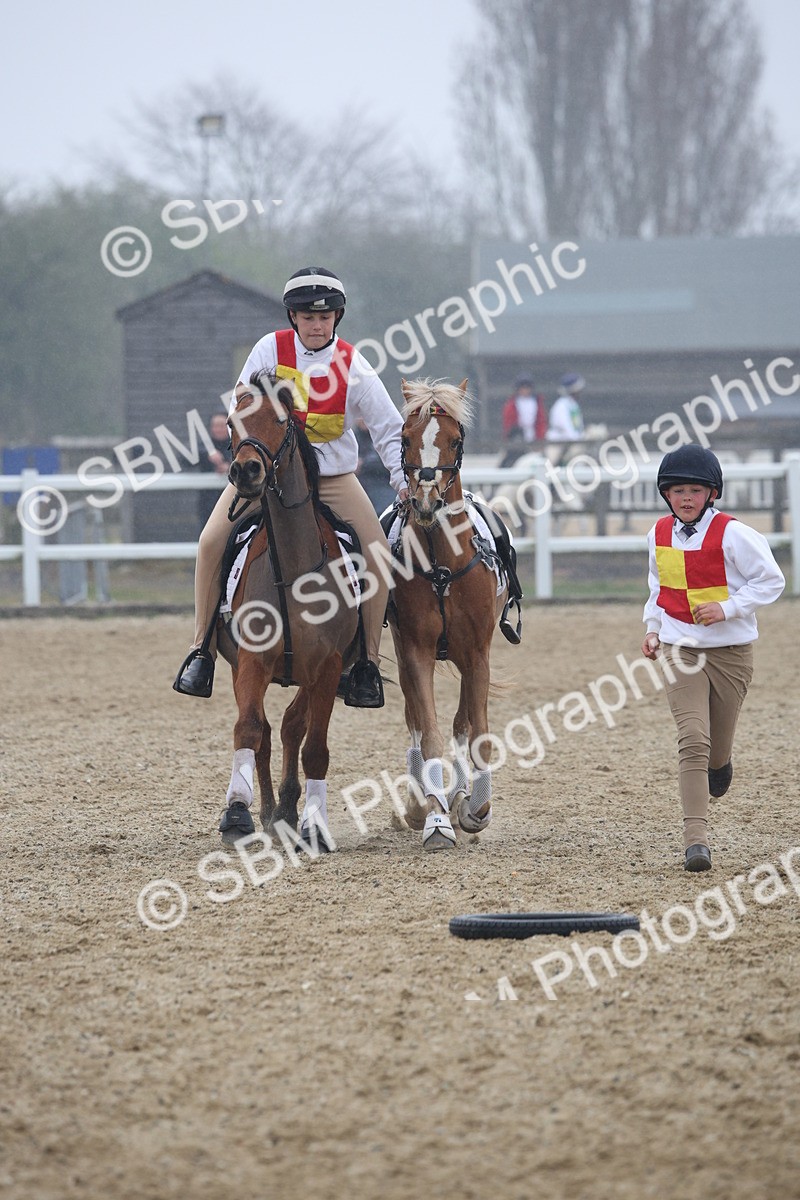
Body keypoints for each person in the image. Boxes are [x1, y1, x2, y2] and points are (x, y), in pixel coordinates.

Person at [173, 266, 407, 709]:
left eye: (325, 317)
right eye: (308, 317)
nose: (317, 325)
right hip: (267, 477)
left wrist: (401, 482)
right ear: (293, 317)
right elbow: (241, 406)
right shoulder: (269, 349)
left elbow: (389, 430)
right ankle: (201, 649)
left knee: (377, 550)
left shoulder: (353, 364)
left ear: (337, 318)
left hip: (332, 479)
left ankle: (366, 663)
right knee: (210, 541)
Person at [641, 444, 784, 872]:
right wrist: (652, 628)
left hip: (730, 655)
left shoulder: (735, 534)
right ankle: (695, 842)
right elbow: (659, 588)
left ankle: (721, 764)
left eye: (695, 490)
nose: (686, 498)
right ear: (666, 494)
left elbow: (772, 580)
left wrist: (729, 608)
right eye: (678, 490)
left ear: (711, 493)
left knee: (715, 753)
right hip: (679, 649)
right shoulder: (657, 534)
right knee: (693, 740)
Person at [195, 411, 231, 526]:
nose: (218, 429)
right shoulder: (205, 444)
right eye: (215, 426)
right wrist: (207, 454)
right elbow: (184, 459)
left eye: (222, 426)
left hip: (232, 501)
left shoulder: (237, 444)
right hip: (208, 502)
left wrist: (230, 467)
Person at [502, 374, 548, 455]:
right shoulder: (512, 404)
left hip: (533, 436)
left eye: (527, 387)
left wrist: (540, 437)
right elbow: (509, 423)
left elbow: (541, 421)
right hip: (518, 437)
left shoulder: (536, 402)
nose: (525, 390)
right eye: (522, 388)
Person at [546, 372, 586, 442]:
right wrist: (578, 440)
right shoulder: (561, 405)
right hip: (558, 443)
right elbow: (567, 428)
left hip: (571, 441)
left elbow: (578, 426)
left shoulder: (573, 404)